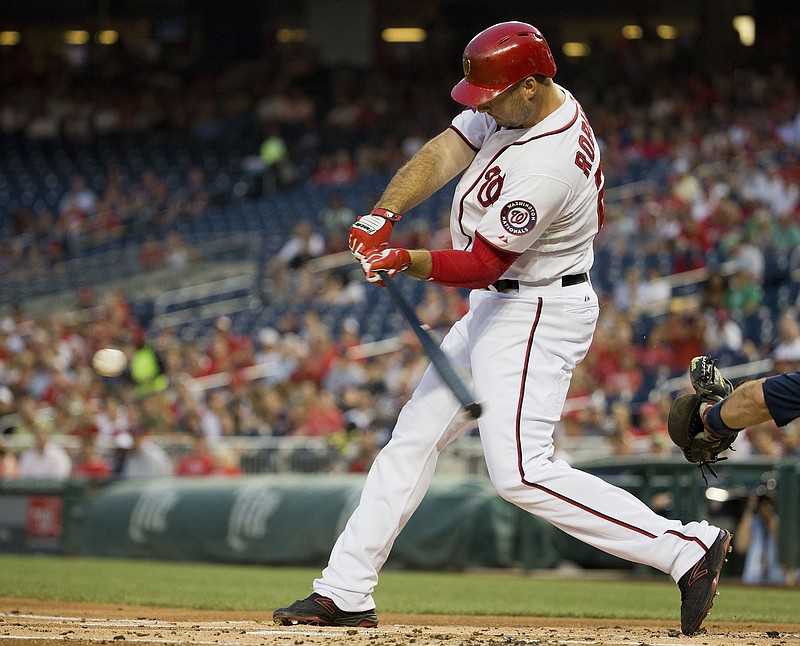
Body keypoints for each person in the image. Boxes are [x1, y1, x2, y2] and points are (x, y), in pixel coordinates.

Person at [274, 21, 731, 637]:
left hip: (537, 310)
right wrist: (381, 214)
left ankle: (685, 548)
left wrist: (402, 259)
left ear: (535, 83)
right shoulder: (519, 103)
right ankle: (345, 591)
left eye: (493, 97)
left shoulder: (548, 161)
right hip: (501, 306)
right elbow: (445, 149)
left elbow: (487, 264)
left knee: (520, 471)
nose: (483, 106)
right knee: (412, 439)